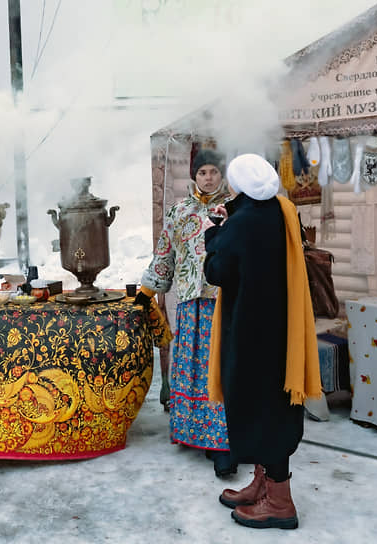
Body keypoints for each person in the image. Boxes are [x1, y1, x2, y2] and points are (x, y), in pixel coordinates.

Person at [202, 153, 323, 530]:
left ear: (239, 185)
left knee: (258, 409)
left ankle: (280, 503)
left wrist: (214, 233)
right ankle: (262, 484)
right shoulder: (281, 210)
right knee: (274, 405)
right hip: (280, 327)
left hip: (251, 332)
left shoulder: (242, 223)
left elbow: (218, 271)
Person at [135, 148, 237, 478]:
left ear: (223, 175)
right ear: (194, 175)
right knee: (193, 367)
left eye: (214, 172)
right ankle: (193, 432)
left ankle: (222, 442)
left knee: (219, 369)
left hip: (224, 301)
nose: (208, 177)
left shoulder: (234, 208)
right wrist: (147, 291)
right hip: (191, 303)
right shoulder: (180, 211)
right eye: (203, 172)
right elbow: (165, 252)